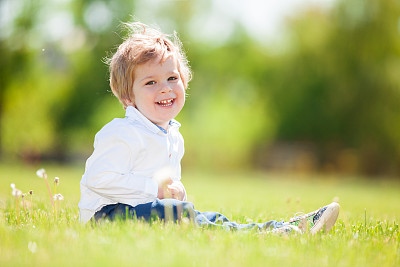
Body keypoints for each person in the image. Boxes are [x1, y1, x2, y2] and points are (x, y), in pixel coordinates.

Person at [78, 22, 340, 234]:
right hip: (106, 217)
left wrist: (176, 192)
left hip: (147, 212)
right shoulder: (123, 133)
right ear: (128, 97)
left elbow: (167, 190)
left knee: (198, 216)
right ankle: (273, 232)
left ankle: (279, 229)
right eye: (150, 83)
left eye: (172, 78)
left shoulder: (172, 135)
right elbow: (97, 179)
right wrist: (155, 191)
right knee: (177, 214)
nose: (165, 88)